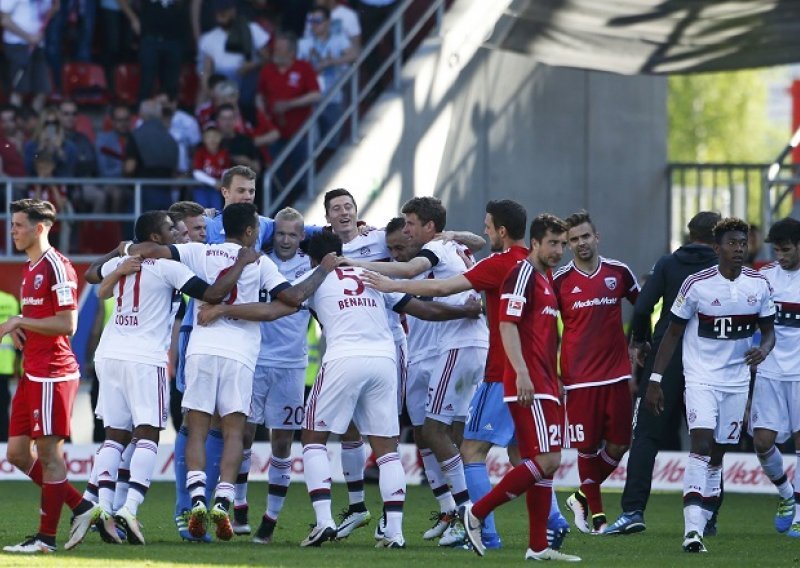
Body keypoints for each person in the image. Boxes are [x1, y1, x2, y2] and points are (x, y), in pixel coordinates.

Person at [197, 230, 482, 548]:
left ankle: (324, 521)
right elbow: (424, 310)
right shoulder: (371, 273)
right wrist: (465, 311)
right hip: (384, 360)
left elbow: (275, 309)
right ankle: (395, 532)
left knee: (313, 438)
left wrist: (223, 310)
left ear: (314, 258)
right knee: (386, 448)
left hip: (344, 358)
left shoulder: (314, 279)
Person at [362, 200, 570, 550]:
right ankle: (552, 523)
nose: (485, 231)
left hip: (502, 372)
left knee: (470, 449)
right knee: (524, 455)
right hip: (532, 375)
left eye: (488, 226)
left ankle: (480, 526)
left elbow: (443, 289)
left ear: (502, 231)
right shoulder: (537, 271)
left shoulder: (502, 264)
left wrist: (391, 285)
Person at [127, 202, 335, 541]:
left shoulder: (200, 253)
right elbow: (295, 297)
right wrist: (323, 270)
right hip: (240, 355)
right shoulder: (261, 263)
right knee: (234, 432)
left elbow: (151, 249)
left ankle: (196, 497)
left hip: (202, 351)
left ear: (224, 229)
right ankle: (223, 499)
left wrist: (125, 250)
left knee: (197, 428)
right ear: (251, 231)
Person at [88, 210, 254, 544]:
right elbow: (213, 294)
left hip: (110, 354)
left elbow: (92, 274)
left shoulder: (124, 261)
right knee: (148, 434)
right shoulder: (169, 268)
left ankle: (104, 507)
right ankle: (130, 509)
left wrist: (119, 252)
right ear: (155, 238)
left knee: (114, 436)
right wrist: (241, 264)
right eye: (169, 229)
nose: (176, 233)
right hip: (144, 358)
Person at [344, 196, 489, 544]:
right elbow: (477, 242)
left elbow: (415, 281)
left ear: (425, 227)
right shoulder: (436, 247)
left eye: (409, 227)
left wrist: (353, 266)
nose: (401, 243)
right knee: (428, 432)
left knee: (442, 433)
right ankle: (451, 509)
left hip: (456, 345)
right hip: (433, 351)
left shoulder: (435, 250)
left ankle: (466, 513)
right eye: (393, 243)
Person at [644, 217, 775, 553]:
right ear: (717, 248)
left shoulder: (758, 285)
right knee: (700, 443)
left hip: (736, 381)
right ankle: (691, 531)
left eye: (743, 243)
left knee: (717, 455)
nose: (739, 249)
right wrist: (655, 381)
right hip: (701, 377)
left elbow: (769, 331)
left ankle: (702, 525)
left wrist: (763, 348)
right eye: (732, 243)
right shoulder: (696, 285)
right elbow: (672, 333)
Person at [460, 213, 581, 562]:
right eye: (553, 243)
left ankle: (538, 546)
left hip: (545, 383)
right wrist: (523, 373)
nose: (560, 250)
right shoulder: (522, 274)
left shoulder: (544, 278)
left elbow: (543, 337)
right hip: (527, 384)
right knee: (547, 459)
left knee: (538, 462)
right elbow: (507, 325)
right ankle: (477, 513)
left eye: (563, 243)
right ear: (536, 243)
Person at [604, 211, 720, 535]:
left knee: (646, 436)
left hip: (665, 360)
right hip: (709, 361)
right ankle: (708, 514)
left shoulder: (668, 264)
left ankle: (633, 512)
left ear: (688, 233)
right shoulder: (722, 268)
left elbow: (642, 307)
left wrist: (639, 340)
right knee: (709, 439)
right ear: (717, 236)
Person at [0, 199, 100, 554]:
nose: (12, 231)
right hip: (33, 373)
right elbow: (42, 322)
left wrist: (19, 321)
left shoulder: (57, 267)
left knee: (49, 455)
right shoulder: (30, 267)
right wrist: (21, 329)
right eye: (12, 224)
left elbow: (68, 324)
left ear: (40, 228)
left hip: (53, 375)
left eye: (19, 225)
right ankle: (82, 506)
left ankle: (45, 539)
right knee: (15, 454)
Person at [552, 210, 640, 534]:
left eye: (585, 236)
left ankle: (580, 497)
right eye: (573, 239)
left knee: (619, 444)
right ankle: (599, 518)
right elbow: (547, 330)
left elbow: (641, 308)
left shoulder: (619, 272)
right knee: (587, 447)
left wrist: (638, 345)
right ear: (567, 244)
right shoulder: (559, 281)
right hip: (578, 379)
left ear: (596, 236)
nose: (580, 243)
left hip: (617, 374)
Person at [229, 207, 313, 542]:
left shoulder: (311, 267)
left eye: (293, 234)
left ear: (302, 236)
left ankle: (271, 519)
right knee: (245, 436)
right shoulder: (258, 261)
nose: (286, 240)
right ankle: (239, 505)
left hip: (292, 367)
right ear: (272, 234)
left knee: (281, 443)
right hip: (256, 361)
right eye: (281, 233)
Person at [751, 217, 800, 538]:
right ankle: (786, 496)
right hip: (769, 371)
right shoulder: (764, 277)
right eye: (776, 250)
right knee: (762, 442)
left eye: (786, 250)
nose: (779, 256)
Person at [256, 31, 321, 193]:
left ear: (291, 52)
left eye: (279, 49)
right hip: (274, 133)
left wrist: (290, 104)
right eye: (275, 49)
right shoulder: (268, 69)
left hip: (300, 133)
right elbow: (259, 94)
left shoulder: (303, 68)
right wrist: (261, 108)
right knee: (275, 178)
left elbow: (316, 94)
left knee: (302, 175)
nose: (274, 52)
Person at [298, 5, 355, 150]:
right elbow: (297, 66)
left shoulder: (339, 38)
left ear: (328, 21)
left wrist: (332, 61)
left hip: (333, 94)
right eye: (311, 21)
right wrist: (311, 65)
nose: (314, 24)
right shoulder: (304, 43)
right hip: (310, 96)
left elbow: (353, 55)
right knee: (312, 141)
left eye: (318, 20)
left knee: (333, 137)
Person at [198, 0, 270, 108]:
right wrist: (209, 91)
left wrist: (253, 65)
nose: (221, 15)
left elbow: (268, 59)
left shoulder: (252, 29)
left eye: (224, 11)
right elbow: (205, 71)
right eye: (218, 12)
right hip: (222, 83)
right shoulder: (208, 38)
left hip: (249, 82)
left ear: (233, 10)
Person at [124, 98, 179, 212]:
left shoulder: (137, 135)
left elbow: (129, 167)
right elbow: (175, 170)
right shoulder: (171, 139)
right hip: (166, 193)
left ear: (141, 114)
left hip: (143, 192)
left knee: (139, 227)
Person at [1, 0, 56, 111]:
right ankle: (14, 125)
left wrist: (55, 8)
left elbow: (47, 13)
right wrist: (28, 37)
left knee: (42, 90)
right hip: (17, 45)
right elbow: (3, 20)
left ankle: (34, 125)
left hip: (38, 45)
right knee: (19, 90)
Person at [96, 104, 133, 213]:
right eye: (119, 120)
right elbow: (103, 171)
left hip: (132, 184)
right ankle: (114, 227)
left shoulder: (135, 139)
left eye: (126, 120)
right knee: (117, 193)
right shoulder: (103, 140)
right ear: (112, 121)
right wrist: (124, 170)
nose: (123, 124)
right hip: (109, 183)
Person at [192, 122, 230, 209]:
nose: (212, 140)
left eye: (215, 136)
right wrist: (213, 182)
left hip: (216, 190)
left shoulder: (224, 153)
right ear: (204, 139)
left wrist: (222, 182)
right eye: (209, 137)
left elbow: (226, 170)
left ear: (220, 137)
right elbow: (196, 173)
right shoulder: (200, 153)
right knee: (202, 212)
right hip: (201, 188)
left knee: (216, 211)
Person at [0, 288, 20, 441]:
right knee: (2, 411)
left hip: (5, 366)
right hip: (6, 365)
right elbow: (20, 333)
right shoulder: (10, 301)